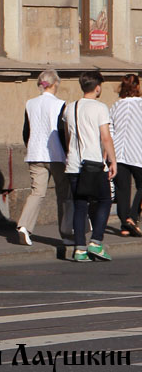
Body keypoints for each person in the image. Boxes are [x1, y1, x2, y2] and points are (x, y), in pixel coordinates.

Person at [63, 70, 117, 262]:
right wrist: (113, 161)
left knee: (80, 205)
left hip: (74, 165)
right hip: (93, 164)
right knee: (104, 200)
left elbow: (68, 137)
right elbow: (105, 137)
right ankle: (95, 242)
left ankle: (79, 248)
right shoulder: (100, 108)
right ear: (97, 87)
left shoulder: (70, 108)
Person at [16, 69, 74, 247]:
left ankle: (24, 226)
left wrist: (30, 146)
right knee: (64, 194)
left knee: (37, 193)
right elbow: (63, 131)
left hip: (35, 154)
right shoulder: (61, 104)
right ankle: (66, 233)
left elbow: (26, 131)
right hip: (56, 154)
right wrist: (68, 153)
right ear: (55, 84)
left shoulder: (30, 104)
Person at [111, 74, 142, 237]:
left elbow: (110, 129)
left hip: (118, 153)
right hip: (137, 152)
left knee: (122, 190)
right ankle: (132, 217)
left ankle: (124, 226)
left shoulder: (116, 105)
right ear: (137, 87)